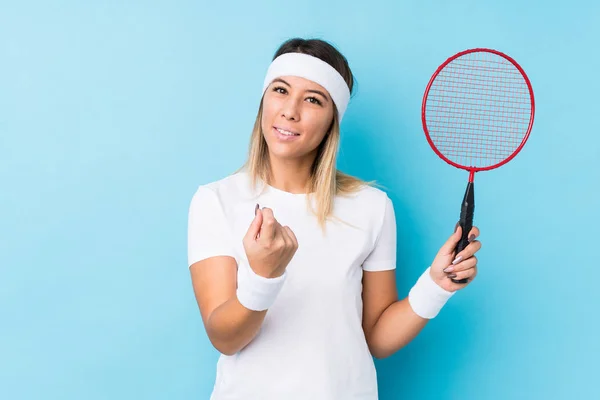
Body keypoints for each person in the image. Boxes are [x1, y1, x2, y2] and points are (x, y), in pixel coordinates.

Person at [187, 37, 481, 400]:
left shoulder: (371, 207)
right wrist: (263, 277)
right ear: (264, 99)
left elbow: (376, 337)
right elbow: (225, 338)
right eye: (280, 90)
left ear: (332, 120)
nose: (290, 111)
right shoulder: (215, 201)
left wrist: (436, 285)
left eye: (313, 99)